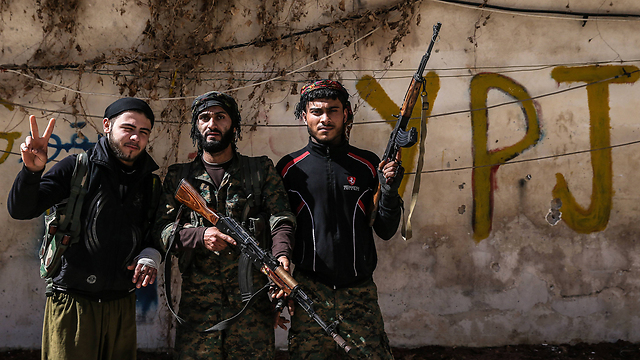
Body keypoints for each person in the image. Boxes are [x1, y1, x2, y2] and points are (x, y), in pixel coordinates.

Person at [7, 97, 163, 360]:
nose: (135, 137)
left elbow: (156, 233)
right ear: (107, 126)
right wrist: (31, 173)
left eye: (143, 132)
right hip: (72, 304)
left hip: (121, 306)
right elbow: (21, 210)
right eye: (128, 128)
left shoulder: (150, 184)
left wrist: (151, 255)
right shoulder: (77, 168)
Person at [155, 91, 296, 360]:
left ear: (233, 124)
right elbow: (161, 230)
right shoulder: (179, 177)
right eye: (204, 118)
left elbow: (282, 218)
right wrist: (200, 235)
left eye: (221, 117)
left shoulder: (260, 170)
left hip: (251, 309)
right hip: (199, 309)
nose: (212, 124)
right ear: (196, 126)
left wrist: (281, 257)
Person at [276, 80, 404, 359]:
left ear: (346, 114)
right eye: (316, 111)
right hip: (309, 291)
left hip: (359, 291)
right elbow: (279, 228)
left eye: (333, 110)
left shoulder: (368, 164)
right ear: (303, 116)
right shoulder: (289, 168)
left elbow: (385, 229)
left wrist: (390, 192)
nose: (325, 118)